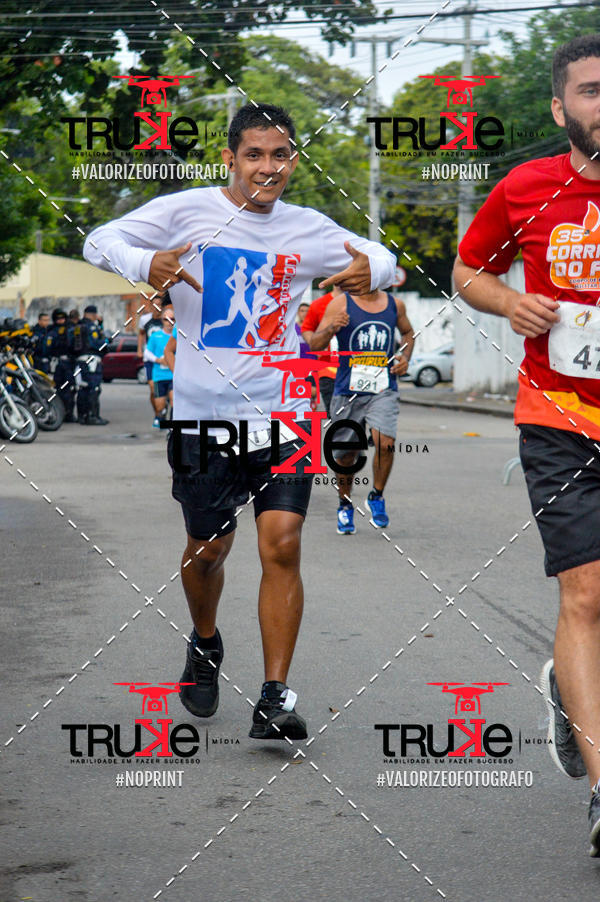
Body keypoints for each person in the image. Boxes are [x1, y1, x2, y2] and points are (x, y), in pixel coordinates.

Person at [83, 101, 396, 741]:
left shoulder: (307, 226)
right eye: (254, 154)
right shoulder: (188, 211)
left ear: (293, 161)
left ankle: (274, 697)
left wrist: (377, 268)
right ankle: (205, 642)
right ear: (230, 157)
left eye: (280, 155)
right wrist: (148, 264)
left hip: (287, 412)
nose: (267, 167)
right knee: (208, 549)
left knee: (281, 544)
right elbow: (99, 239)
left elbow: (375, 254)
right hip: (204, 416)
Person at [452, 34, 600, 856]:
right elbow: (467, 269)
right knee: (586, 595)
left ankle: (573, 696)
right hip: (560, 420)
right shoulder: (527, 188)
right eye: (590, 92)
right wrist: (508, 302)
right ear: (560, 108)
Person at [310, 287, 413, 534]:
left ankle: (376, 496)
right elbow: (315, 343)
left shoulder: (395, 304)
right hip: (348, 390)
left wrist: (405, 355)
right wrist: (331, 327)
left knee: (385, 442)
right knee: (347, 455)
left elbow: (408, 332)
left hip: (383, 388)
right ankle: (344, 505)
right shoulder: (339, 304)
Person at [301, 285, 344, 416]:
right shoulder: (319, 304)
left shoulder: (362, 300)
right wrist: (315, 344)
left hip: (357, 369)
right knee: (337, 416)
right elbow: (306, 329)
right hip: (329, 371)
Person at [70, 304, 109, 425]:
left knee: (83, 387)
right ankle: (93, 416)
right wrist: (106, 341)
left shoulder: (78, 326)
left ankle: (82, 415)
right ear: (93, 314)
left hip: (80, 360)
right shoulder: (91, 327)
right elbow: (96, 343)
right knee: (94, 388)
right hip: (91, 360)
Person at [138, 293, 171, 417]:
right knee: (153, 388)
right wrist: (139, 349)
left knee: (168, 385)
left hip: (166, 357)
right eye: (154, 304)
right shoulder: (145, 319)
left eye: (159, 305)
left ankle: (163, 404)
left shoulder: (167, 319)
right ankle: (158, 411)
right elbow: (141, 334)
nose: (156, 307)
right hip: (150, 358)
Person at [144, 306, 175, 427]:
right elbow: (147, 353)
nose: (169, 322)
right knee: (159, 405)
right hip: (159, 376)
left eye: (172, 319)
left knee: (174, 400)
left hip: (173, 375)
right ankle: (160, 414)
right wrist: (159, 360)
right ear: (162, 320)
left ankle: (173, 425)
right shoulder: (155, 336)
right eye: (166, 319)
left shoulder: (178, 336)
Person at [46, 308, 76, 422]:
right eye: (58, 319)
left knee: (70, 390)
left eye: (62, 318)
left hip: (69, 363)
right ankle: (61, 413)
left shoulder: (71, 328)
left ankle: (69, 413)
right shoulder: (51, 331)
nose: (60, 321)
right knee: (58, 390)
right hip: (57, 364)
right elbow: (48, 348)